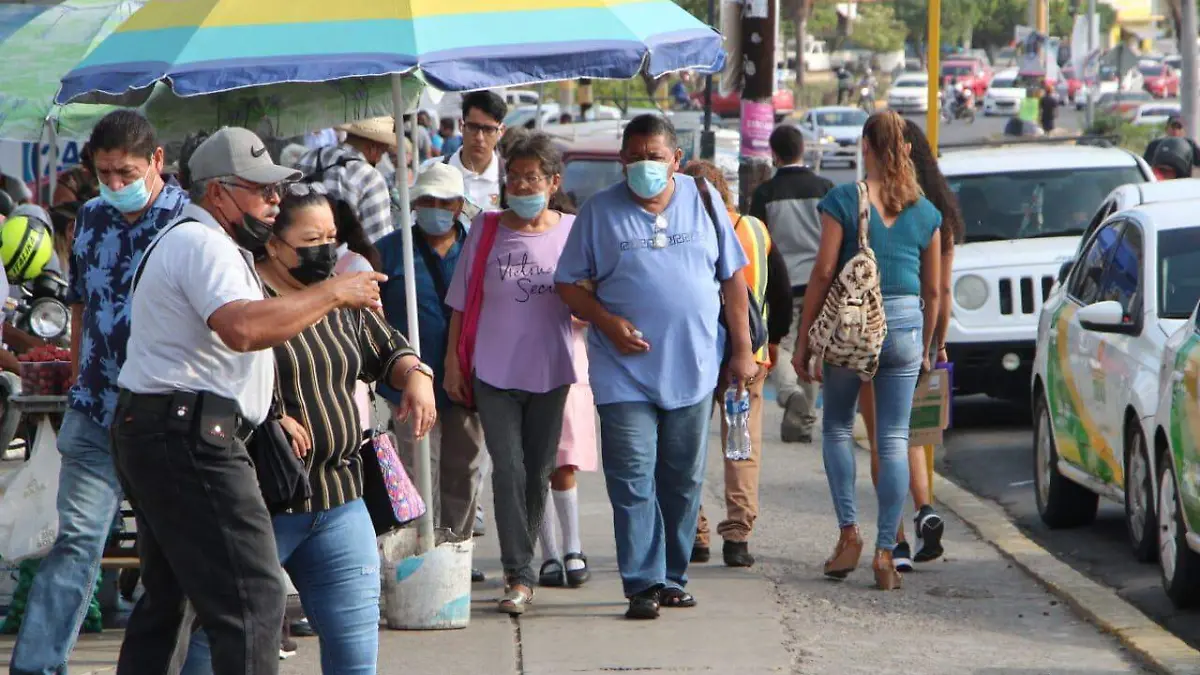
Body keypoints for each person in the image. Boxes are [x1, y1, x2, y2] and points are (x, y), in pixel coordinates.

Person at [111, 126, 388, 674]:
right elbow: (242, 329)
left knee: (172, 601)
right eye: (261, 190)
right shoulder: (203, 243)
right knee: (254, 598)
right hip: (188, 437)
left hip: (169, 430)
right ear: (218, 192)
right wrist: (334, 290)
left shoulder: (206, 242)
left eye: (276, 189)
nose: (274, 201)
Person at [178, 183, 438, 675]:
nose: (326, 250)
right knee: (222, 635)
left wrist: (416, 376)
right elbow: (209, 374)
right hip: (260, 503)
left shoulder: (342, 296)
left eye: (331, 238)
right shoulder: (243, 301)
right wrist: (268, 414)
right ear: (274, 245)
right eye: (311, 240)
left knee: (356, 652)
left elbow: (388, 349)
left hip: (339, 497)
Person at [8, 110, 189, 675]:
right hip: (93, 410)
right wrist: (78, 376)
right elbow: (81, 307)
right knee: (76, 540)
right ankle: (37, 666)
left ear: (156, 160)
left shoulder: (188, 225)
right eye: (104, 173)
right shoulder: (89, 217)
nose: (114, 183)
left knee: (172, 550)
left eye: (125, 173)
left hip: (162, 414)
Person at [555, 114, 757, 620]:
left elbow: (733, 280)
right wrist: (606, 321)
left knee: (683, 479)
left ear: (676, 161)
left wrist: (742, 350)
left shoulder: (704, 199)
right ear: (622, 161)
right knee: (632, 477)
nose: (645, 166)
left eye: (655, 157)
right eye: (636, 157)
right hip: (623, 373)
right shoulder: (599, 212)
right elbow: (568, 284)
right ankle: (642, 582)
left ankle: (671, 576)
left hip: (694, 366)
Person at [793, 111, 941, 591]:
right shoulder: (926, 212)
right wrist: (928, 346)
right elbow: (934, 291)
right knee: (894, 438)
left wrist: (804, 340)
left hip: (853, 324)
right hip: (906, 324)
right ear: (907, 150)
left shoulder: (843, 200)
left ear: (866, 148)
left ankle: (848, 534)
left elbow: (823, 272)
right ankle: (885, 554)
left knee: (838, 426)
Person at [443, 132, 577, 615]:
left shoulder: (573, 231)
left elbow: (593, 294)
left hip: (551, 370)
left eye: (531, 177)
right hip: (493, 372)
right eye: (514, 177)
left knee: (538, 471)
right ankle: (518, 573)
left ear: (553, 182)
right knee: (508, 468)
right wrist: (453, 363)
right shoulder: (486, 229)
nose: (521, 185)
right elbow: (461, 302)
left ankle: (525, 566)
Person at [858, 119, 964, 571]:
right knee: (909, 434)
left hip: (873, 328)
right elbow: (941, 290)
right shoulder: (937, 213)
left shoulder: (873, 201)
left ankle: (896, 540)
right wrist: (937, 344)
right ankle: (925, 509)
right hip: (920, 334)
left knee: (881, 439)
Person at [376, 163, 488, 583]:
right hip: (408, 387)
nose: (435, 209)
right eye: (427, 201)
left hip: (467, 383)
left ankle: (456, 551)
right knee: (416, 472)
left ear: (459, 206)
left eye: (444, 202)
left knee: (465, 470)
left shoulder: (477, 249)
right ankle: (421, 553)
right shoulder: (390, 250)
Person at [685, 160, 792, 569]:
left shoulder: (684, 232)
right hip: (748, 359)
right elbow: (780, 290)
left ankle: (695, 533)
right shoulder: (754, 229)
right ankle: (738, 538)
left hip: (695, 355)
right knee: (741, 445)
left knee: (687, 443)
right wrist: (774, 340)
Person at [749, 125, 834, 443]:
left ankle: (789, 393)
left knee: (780, 346)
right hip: (819, 282)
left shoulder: (765, 193)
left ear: (774, 154)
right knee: (810, 349)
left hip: (780, 284)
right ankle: (803, 422)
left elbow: (757, 241)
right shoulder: (825, 188)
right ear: (803, 150)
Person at [296, 116, 396, 242]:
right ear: (373, 148)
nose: (380, 159)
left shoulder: (307, 158)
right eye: (382, 152)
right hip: (341, 251)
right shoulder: (370, 178)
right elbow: (380, 240)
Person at [444, 90, 507, 213]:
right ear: (461, 126)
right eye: (473, 127)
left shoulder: (510, 179)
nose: (479, 137)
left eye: (488, 129)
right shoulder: (432, 171)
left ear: (501, 131)